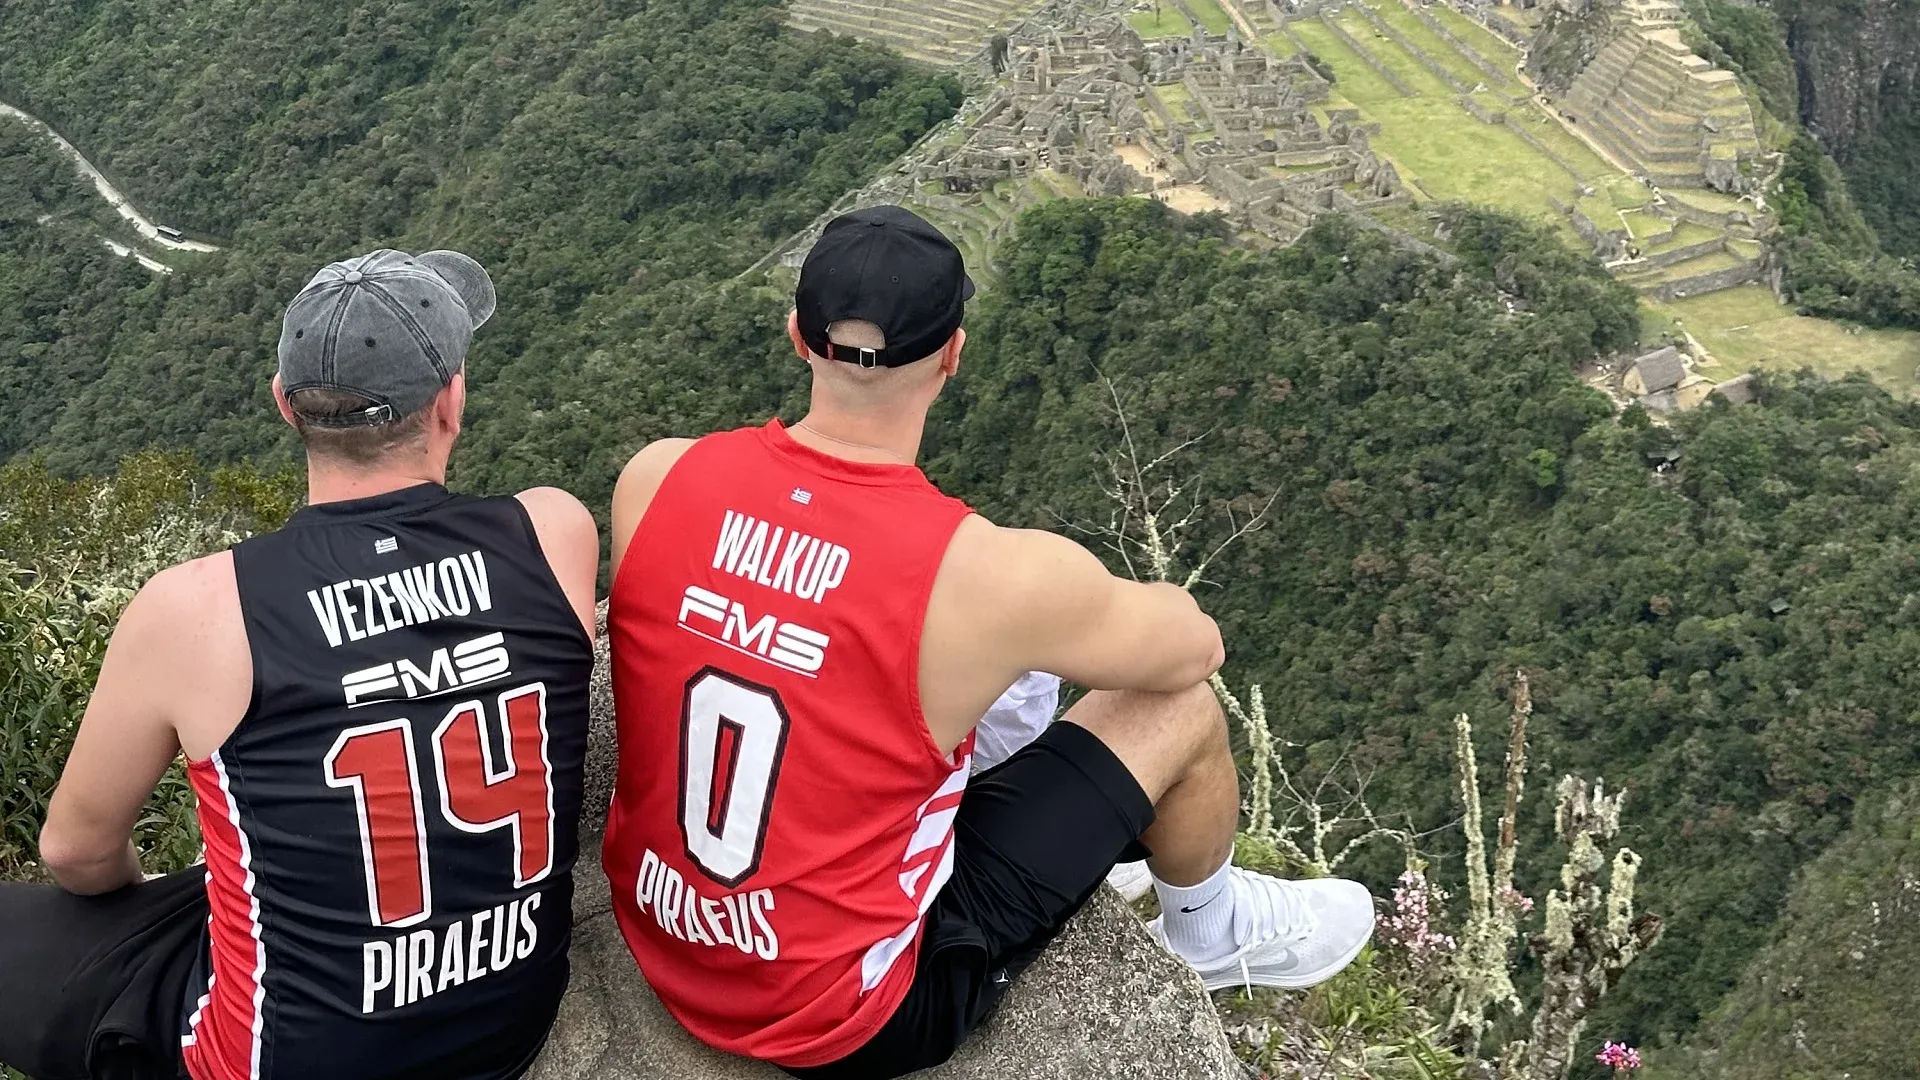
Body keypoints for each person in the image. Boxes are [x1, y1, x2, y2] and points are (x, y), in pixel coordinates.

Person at [601, 206, 1375, 1079]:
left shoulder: (658, 476)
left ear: (797, 336)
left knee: (969, 679)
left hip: (660, 930)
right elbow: (1194, 649)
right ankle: (1211, 929)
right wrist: (1059, 599)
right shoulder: (987, 575)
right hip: (848, 1015)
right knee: (1178, 714)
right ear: (954, 354)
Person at [0, 250, 601, 1080]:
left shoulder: (198, 610)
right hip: (506, 1027)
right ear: (451, 401)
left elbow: (75, 852)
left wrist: (150, 909)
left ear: (285, 404)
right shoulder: (553, 532)